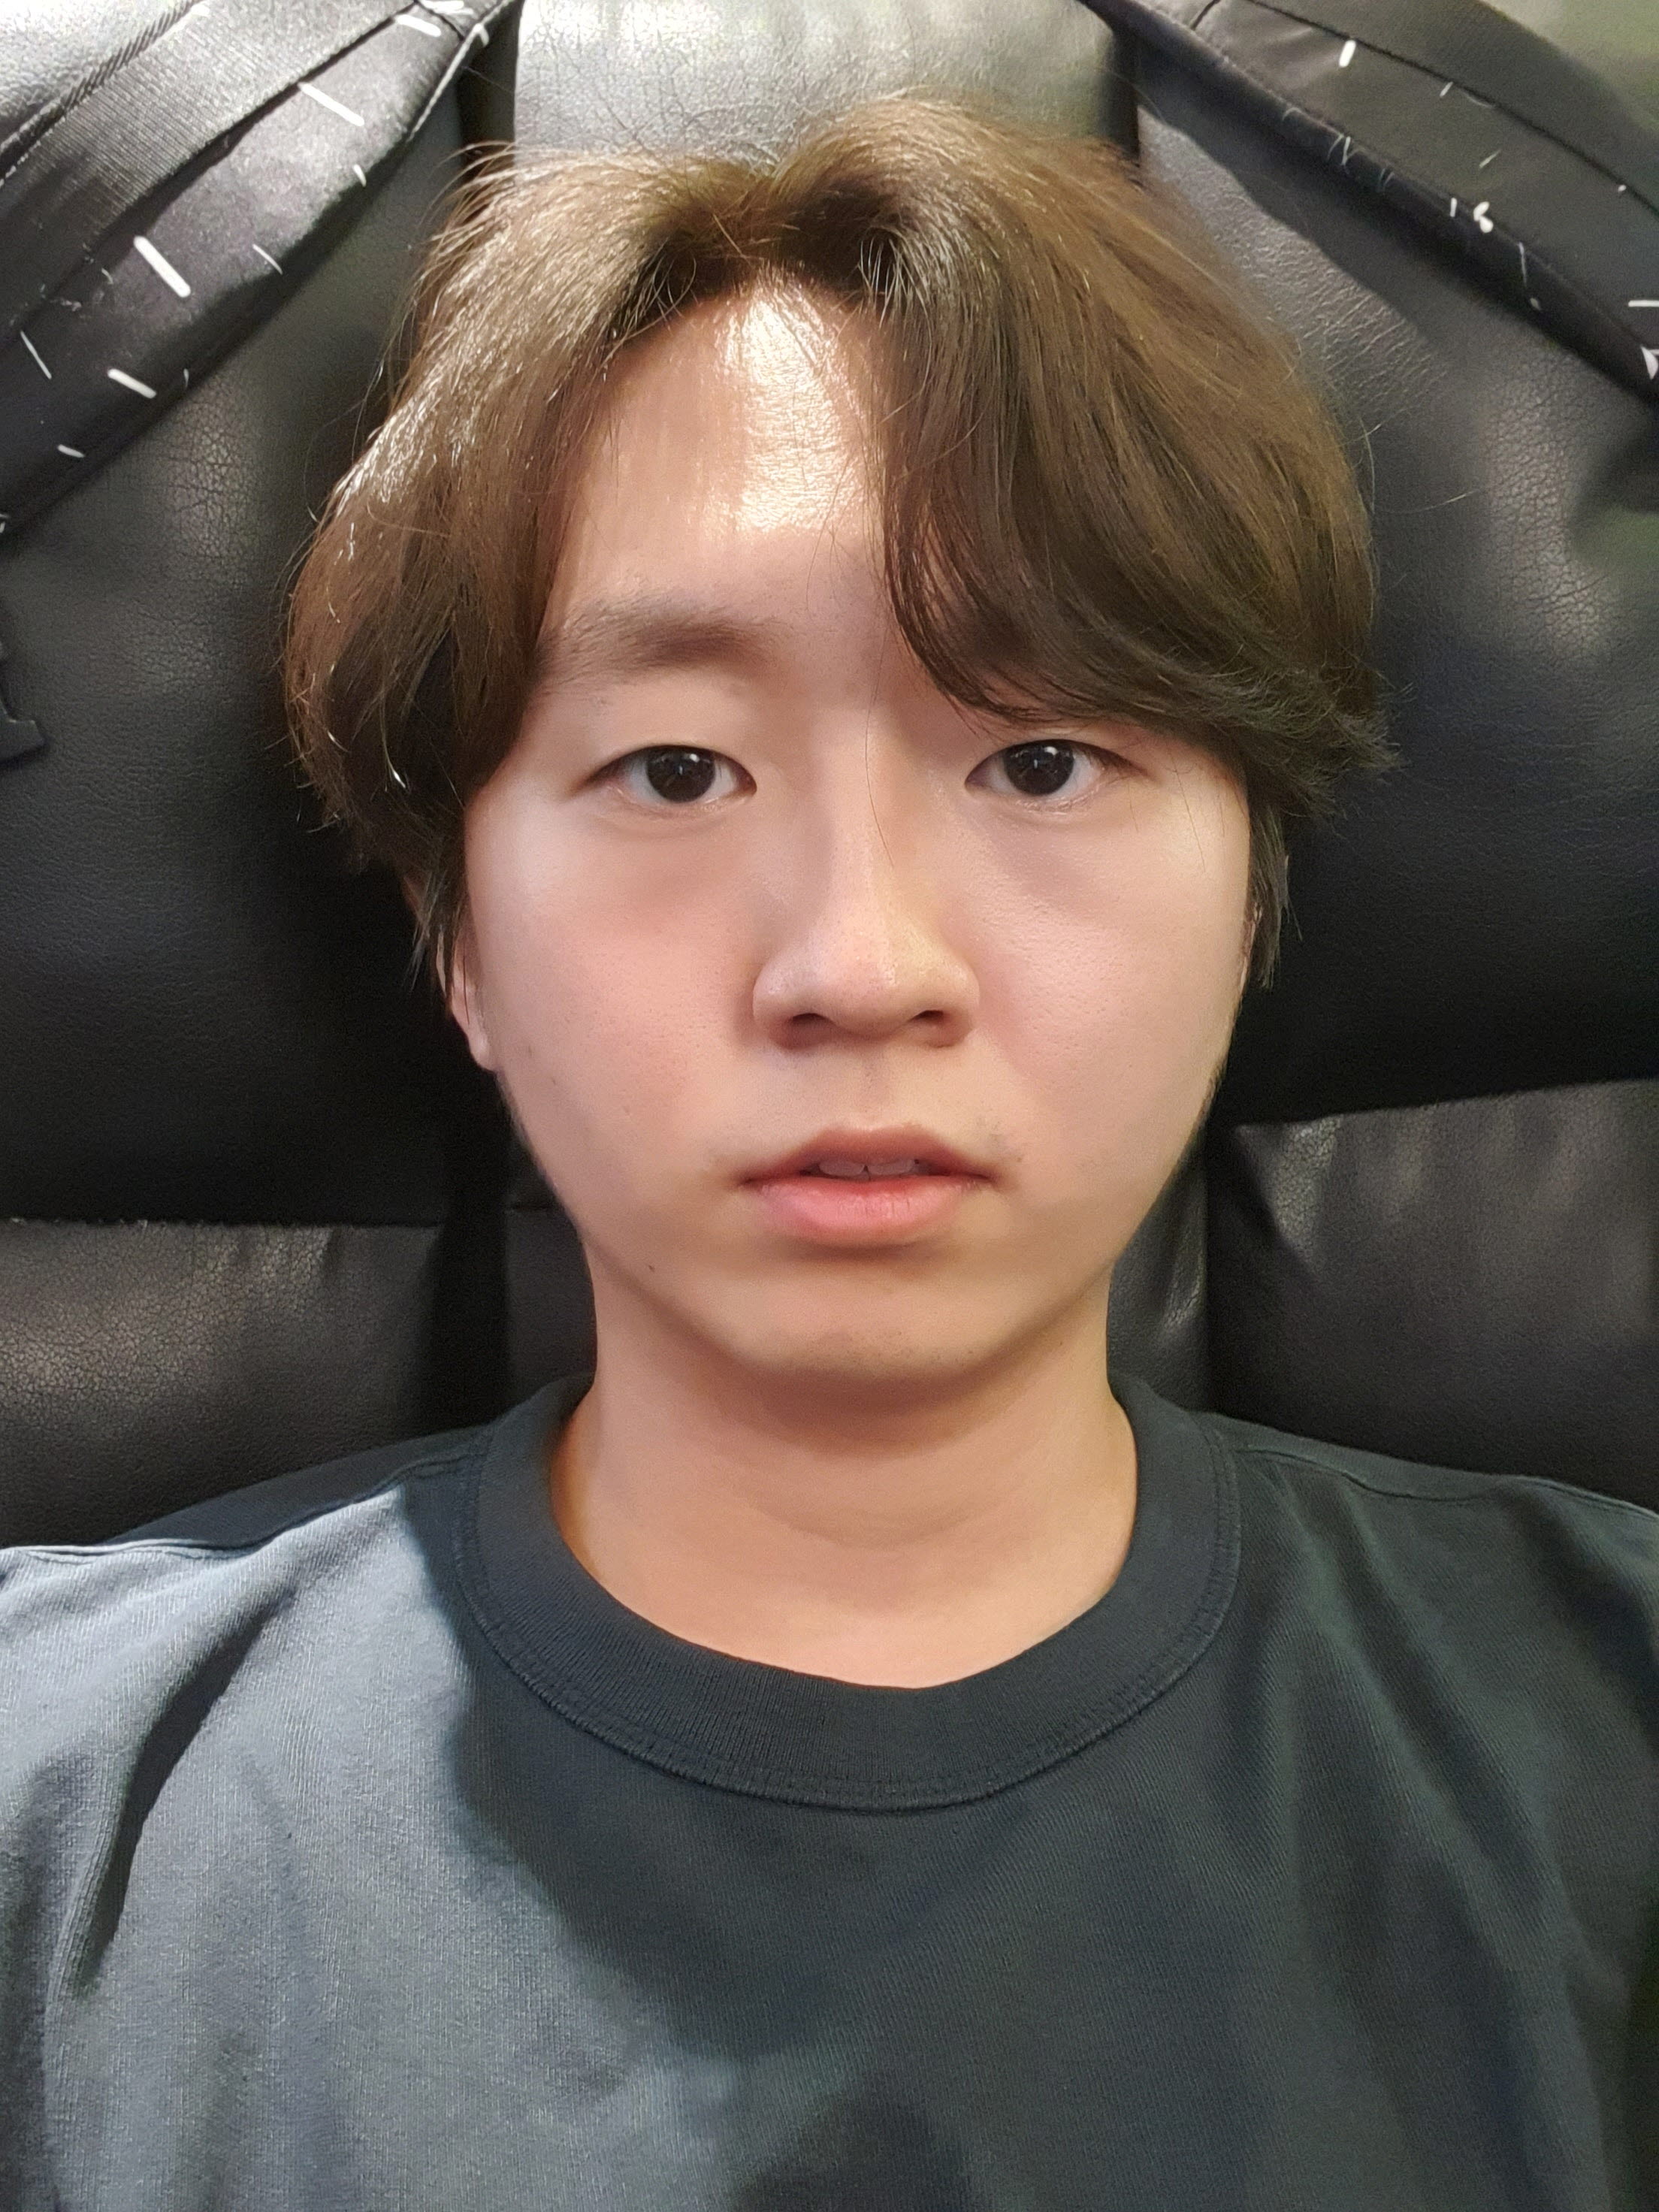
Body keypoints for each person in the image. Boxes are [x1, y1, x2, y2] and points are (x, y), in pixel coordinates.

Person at [2, 93, 1654, 2212]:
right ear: (456, 936)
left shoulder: (1610, 1741)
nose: (861, 967)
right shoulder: (53, 1801)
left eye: (1040, 759)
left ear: (1251, 901)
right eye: (677, 769)